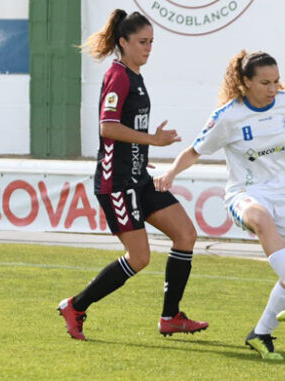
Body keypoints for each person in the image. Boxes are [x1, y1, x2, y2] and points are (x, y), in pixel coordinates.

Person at [57, 9, 208, 341]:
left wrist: (143, 154)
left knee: (185, 234)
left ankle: (170, 317)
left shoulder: (134, 76)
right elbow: (108, 127)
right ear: (122, 42)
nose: (148, 48)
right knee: (139, 257)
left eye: (152, 42)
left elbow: (126, 129)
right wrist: (152, 139)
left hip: (138, 177)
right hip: (117, 184)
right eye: (142, 42)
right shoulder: (119, 76)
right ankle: (76, 306)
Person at [154, 50, 285, 360]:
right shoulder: (228, 116)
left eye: (276, 81)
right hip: (246, 191)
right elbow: (194, 150)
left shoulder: (284, 101)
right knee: (260, 217)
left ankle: (261, 333)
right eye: (265, 82)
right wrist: (171, 172)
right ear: (246, 82)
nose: (272, 88)